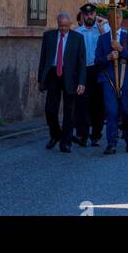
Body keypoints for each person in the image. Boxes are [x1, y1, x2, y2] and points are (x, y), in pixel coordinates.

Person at [37, 12, 87, 152]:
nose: (63, 28)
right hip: (53, 74)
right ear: (57, 24)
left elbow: (82, 61)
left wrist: (81, 82)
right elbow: (43, 58)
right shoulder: (49, 36)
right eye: (60, 26)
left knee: (69, 111)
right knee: (50, 109)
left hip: (70, 76)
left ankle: (65, 142)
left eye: (65, 26)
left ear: (70, 24)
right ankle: (55, 134)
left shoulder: (78, 38)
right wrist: (41, 79)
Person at [95, 5, 128, 154]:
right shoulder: (102, 39)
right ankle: (111, 143)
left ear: (121, 20)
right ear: (108, 21)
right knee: (111, 111)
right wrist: (108, 57)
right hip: (109, 79)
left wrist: (121, 50)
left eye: (118, 18)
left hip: (126, 78)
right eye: (112, 19)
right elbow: (97, 61)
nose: (115, 21)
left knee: (127, 111)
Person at [74, 4, 107, 147]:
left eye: (92, 14)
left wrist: (101, 31)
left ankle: (96, 135)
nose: (89, 17)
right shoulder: (77, 32)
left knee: (98, 104)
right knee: (82, 103)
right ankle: (82, 134)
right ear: (82, 16)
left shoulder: (103, 30)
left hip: (99, 69)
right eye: (86, 15)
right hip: (83, 70)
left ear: (96, 15)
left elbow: (108, 47)